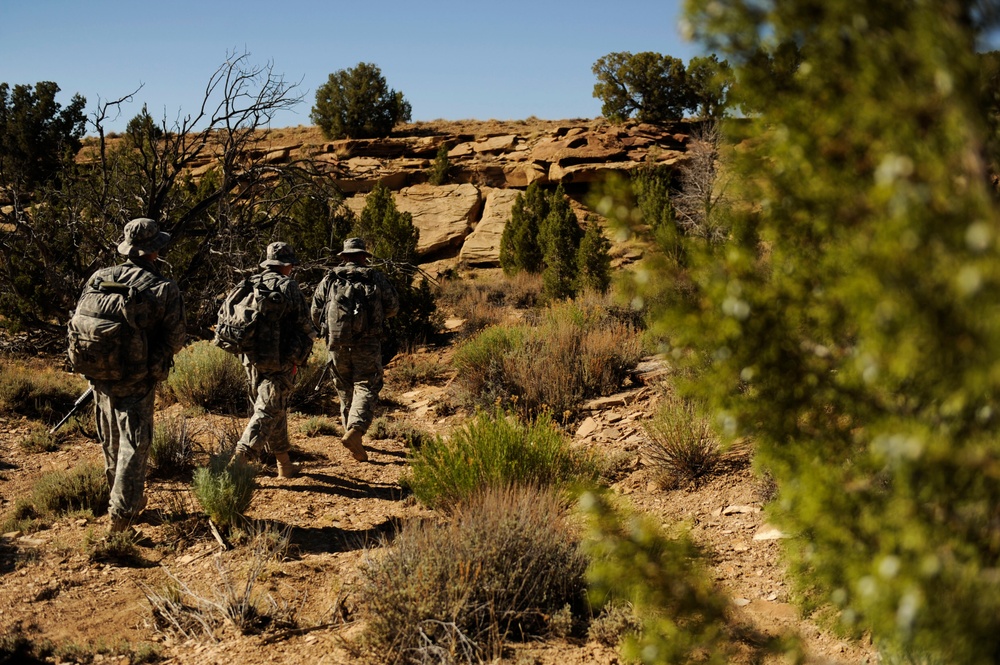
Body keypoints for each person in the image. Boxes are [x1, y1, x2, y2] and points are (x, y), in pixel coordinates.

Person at [74, 218, 186, 534]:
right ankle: (120, 520)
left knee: (111, 441)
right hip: (137, 377)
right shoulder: (163, 287)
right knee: (135, 444)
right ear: (154, 250)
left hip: (98, 373)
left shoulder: (100, 277)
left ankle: (126, 501)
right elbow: (176, 337)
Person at [231, 242, 316, 478]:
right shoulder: (289, 287)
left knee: (273, 406)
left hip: (250, 358)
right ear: (287, 265)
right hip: (281, 359)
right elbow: (305, 326)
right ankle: (241, 457)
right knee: (268, 410)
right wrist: (298, 358)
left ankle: (284, 464)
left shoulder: (250, 283)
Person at [311, 237, 399, 462]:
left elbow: (315, 311)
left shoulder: (330, 279)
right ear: (363, 256)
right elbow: (392, 308)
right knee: (366, 385)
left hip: (336, 342)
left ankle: (349, 432)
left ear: (344, 257)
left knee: (344, 387)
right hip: (368, 342)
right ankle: (356, 432)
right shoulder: (375, 277)